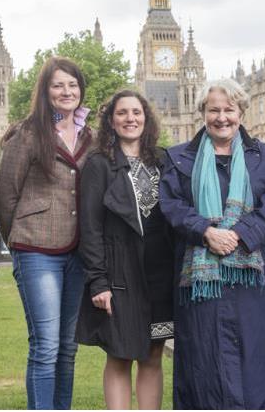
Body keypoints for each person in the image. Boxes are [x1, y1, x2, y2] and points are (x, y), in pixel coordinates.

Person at [159, 79, 265, 409]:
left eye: (229, 109)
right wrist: (205, 231)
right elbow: (171, 205)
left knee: (254, 361)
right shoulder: (176, 159)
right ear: (202, 112)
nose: (221, 117)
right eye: (213, 110)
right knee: (203, 360)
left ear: (241, 112)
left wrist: (240, 234)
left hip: (250, 284)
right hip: (201, 288)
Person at [0, 56, 93, 409]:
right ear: (46, 91)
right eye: (58, 85)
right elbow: (4, 195)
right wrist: (19, 241)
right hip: (36, 250)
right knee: (45, 346)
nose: (66, 91)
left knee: (67, 348)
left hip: (78, 252)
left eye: (72, 85)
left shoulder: (91, 136)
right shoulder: (28, 132)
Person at [75, 90, 175, 409]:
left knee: (153, 354)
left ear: (146, 118)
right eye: (122, 113)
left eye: (136, 112)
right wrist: (98, 281)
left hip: (159, 274)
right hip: (119, 274)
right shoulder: (99, 164)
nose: (130, 119)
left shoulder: (163, 160)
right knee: (120, 355)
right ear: (111, 120)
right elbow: (89, 227)